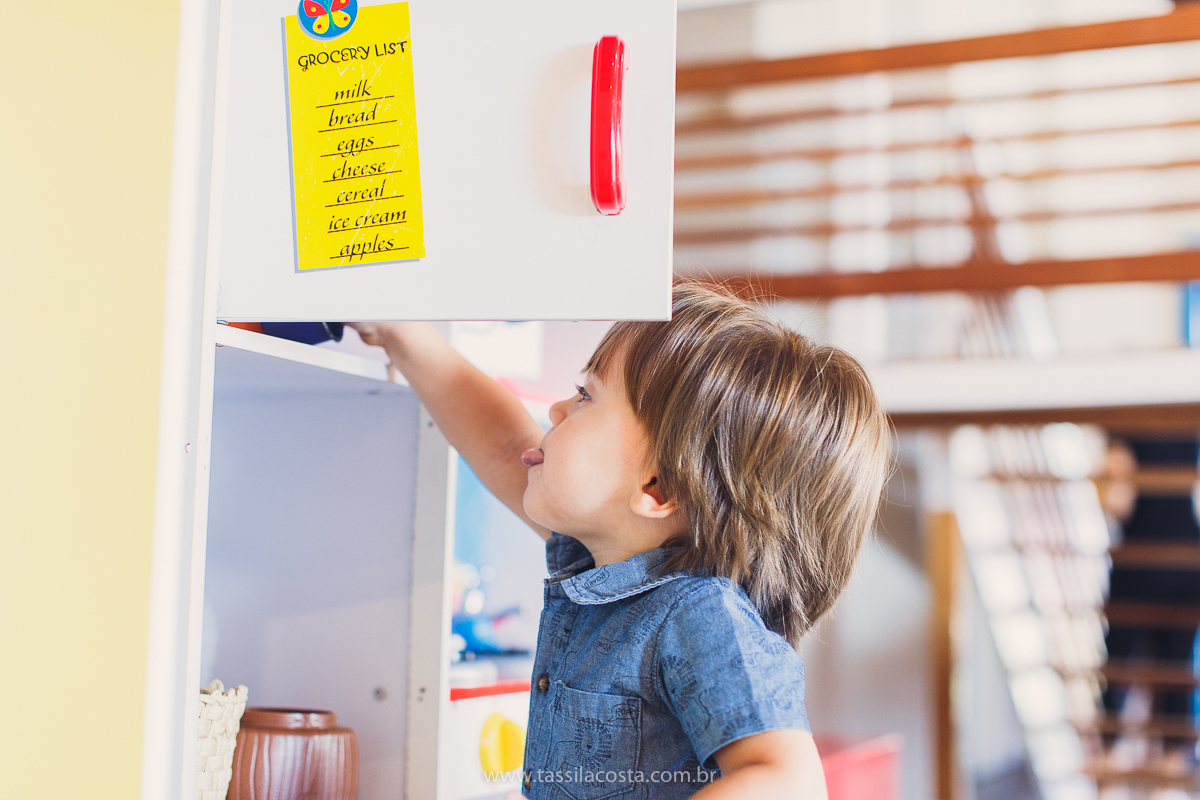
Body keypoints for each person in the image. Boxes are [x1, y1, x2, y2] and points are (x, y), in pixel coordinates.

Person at [350, 282, 890, 799]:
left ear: (658, 487)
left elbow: (788, 784)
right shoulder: (601, 562)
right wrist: (402, 332)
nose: (558, 410)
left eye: (586, 396)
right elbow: (501, 445)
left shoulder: (701, 616)